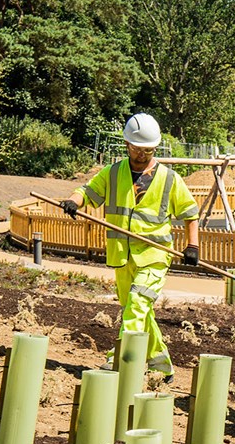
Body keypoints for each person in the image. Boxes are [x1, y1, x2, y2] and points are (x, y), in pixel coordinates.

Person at [60, 113, 200, 383]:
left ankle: (120, 360)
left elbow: (189, 213)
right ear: (126, 144)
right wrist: (73, 201)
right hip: (122, 256)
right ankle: (161, 365)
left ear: (155, 148)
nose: (142, 154)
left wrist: (192, 245)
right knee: (137, 310)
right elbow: (87, 191)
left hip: (154, 256)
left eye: (147, 150)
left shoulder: (170, 179)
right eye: (137, 149)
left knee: (137, 303)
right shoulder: (112, 173)